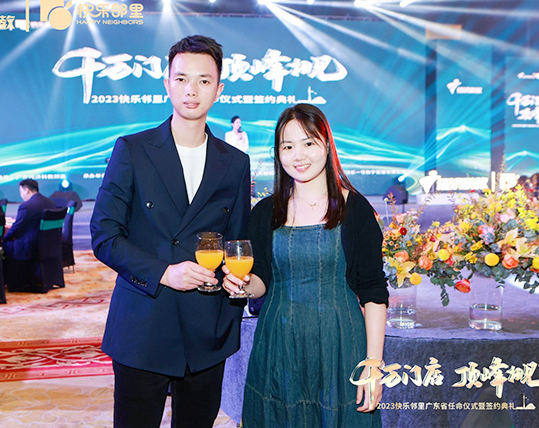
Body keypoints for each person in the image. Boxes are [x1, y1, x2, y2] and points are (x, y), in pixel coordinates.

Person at [90, 35, 251, 428]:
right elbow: (105, 235)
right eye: (181, 79)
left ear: (219, 89)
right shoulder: (133, 149)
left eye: (203, 80)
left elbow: (238, 240)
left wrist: (238, 279)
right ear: (167, 84)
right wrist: (164, 272)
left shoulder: (235, 162)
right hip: (144, 322)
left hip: (207, 328)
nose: (191, 90)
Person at [223, 103, 388, 427]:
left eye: (308, 143)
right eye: (287, 146)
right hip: (278, 345)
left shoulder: (354, 209)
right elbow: (262, 280)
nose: (298, 155)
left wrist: (373, 363)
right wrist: (242, 284)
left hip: (341, 345)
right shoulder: (266, 211)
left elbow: (373, 291)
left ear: (326, 145)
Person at [2, 179, 56, 261]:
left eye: (21, 192)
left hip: (31, 248)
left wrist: (3, 238)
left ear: (27, 190)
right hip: (50, 245)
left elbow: (16, 228)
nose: (21, 195)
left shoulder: (26, 207)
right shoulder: (50, 203)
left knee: (3, 246)